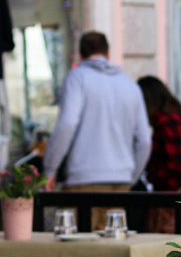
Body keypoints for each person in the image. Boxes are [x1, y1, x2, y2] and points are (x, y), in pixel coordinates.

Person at [42, 32, 152, 230]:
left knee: (82, 245)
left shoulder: (77, 78)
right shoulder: (129, 85)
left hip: (84, 180)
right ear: (108, 53)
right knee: (113, 243)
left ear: (80, 54)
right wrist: (130, 176)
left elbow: (67, 124)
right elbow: (144, 141)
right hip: (121, 182)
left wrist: (50, 170)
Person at [137, 76, 181, 233]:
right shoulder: (171, 119)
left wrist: (152, 176)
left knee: (166, 241)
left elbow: (176, 168)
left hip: (172, 199)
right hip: (176, 197)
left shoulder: (167, 122)